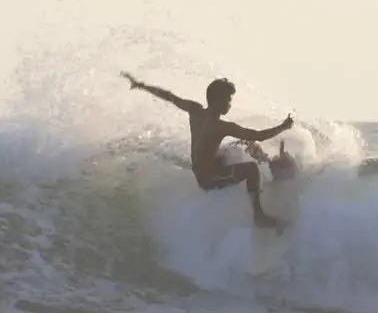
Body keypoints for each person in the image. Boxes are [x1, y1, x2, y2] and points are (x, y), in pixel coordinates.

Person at [121, 71, 294, 229]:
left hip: (203, 167)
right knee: (251, 169)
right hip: (208, 178)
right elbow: (257, 134)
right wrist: (283, 127)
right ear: (217, 101)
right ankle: (259, 215)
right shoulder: (220, 126)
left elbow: (169, 97)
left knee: (246, 144)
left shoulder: (195, 110)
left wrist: (141, 86)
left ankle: (271, 167)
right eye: (228, 100)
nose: (230, 104)